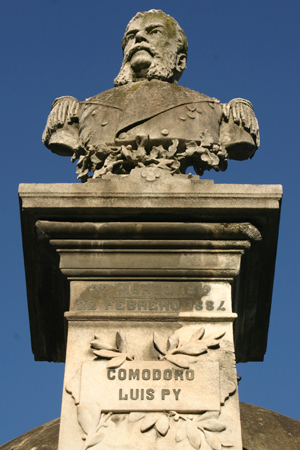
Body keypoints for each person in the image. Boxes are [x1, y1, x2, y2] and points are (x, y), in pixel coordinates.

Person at [42, 10, 259, 179]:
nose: (139, 38)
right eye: (131, 36)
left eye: (153, 32)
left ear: (180, 60)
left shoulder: (215, 110)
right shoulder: (81, 109)